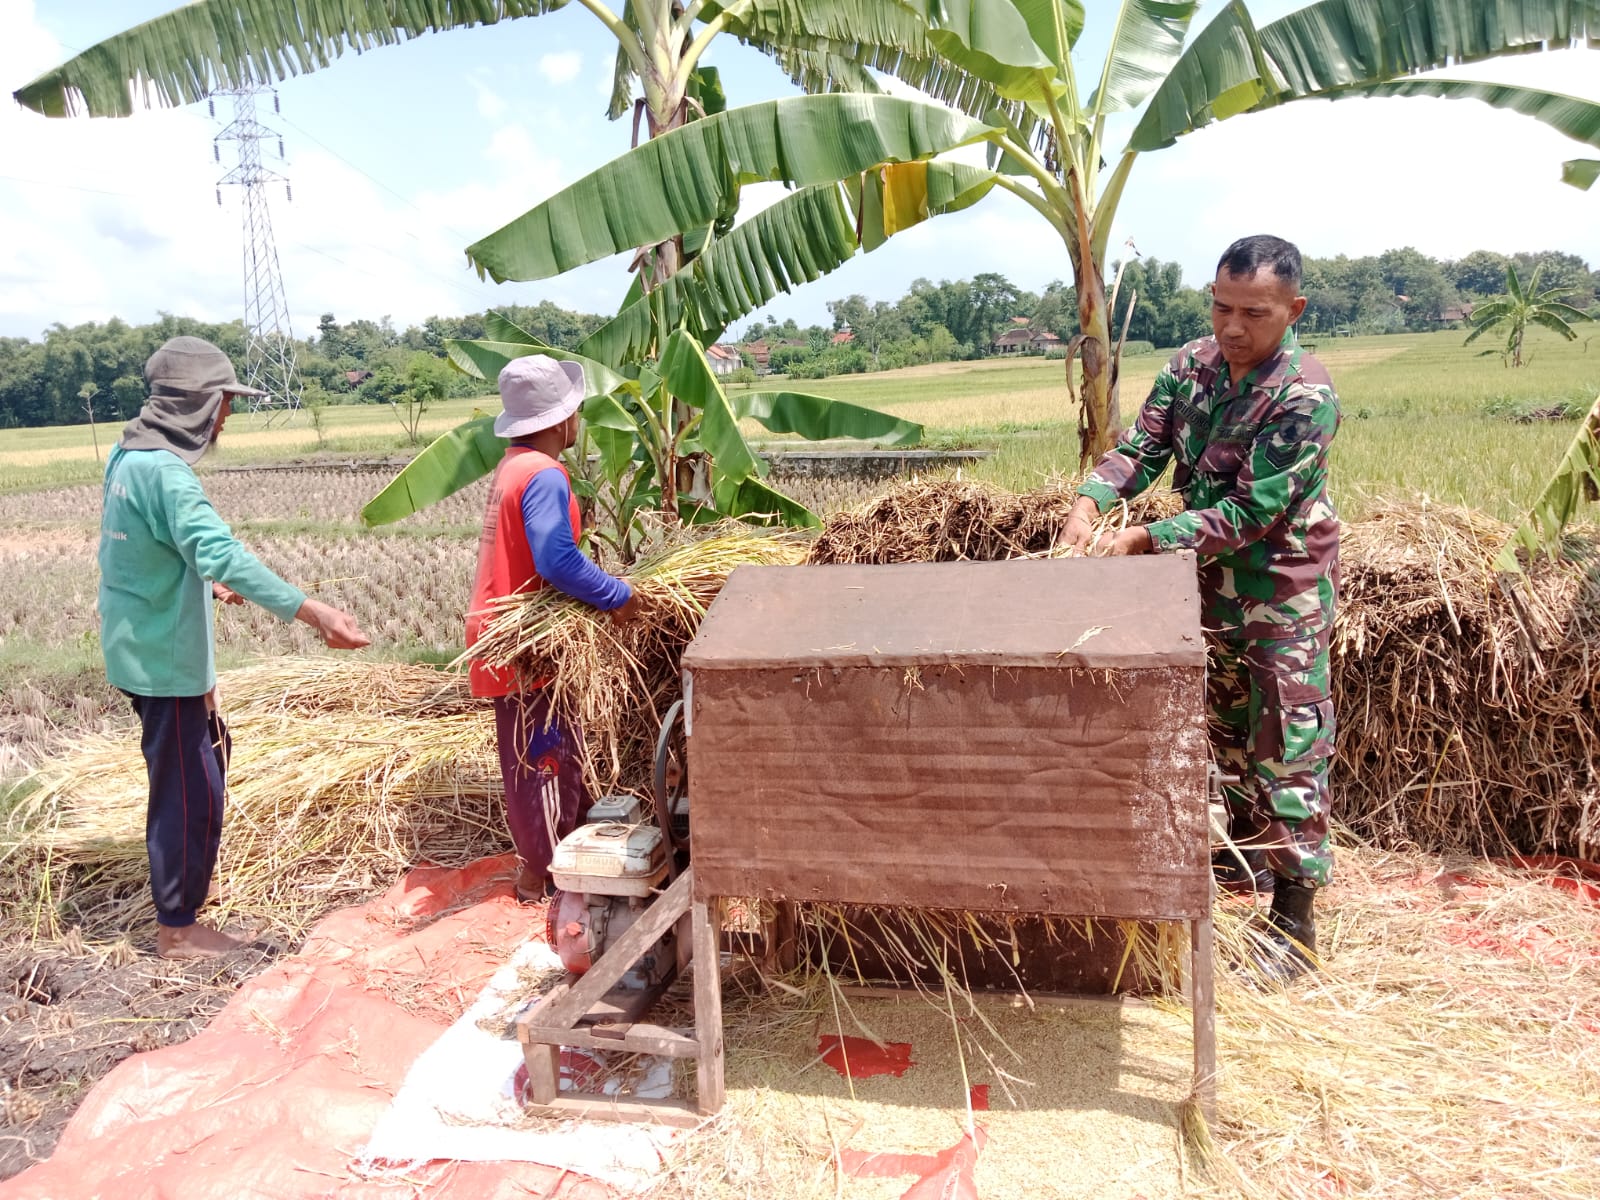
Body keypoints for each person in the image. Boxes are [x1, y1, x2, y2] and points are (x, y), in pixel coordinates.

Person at [1057, 235, 1340, 982]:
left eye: (1254, 312)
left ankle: (1295, 924)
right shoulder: (1189, 366)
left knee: (1287, 739)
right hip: (1204, 587)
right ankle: (1236, 865)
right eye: (1220, 307)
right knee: (1218, 729)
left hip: (1281, 589)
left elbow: (1252, 511)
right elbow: (1142, 447)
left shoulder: (1305, 396)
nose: (1232, 327)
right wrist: (1088, 504)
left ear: (1293, 310)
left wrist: (1147, 538)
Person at [100, 336, 371, 960]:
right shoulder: (167, 473)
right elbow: (218, 549)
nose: (228, 416)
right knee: (189, 787)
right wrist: (315, 611)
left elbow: (142, 543)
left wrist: (202, 576)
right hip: (164, 660)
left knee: (207, 758)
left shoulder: (128, 453)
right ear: (199, 404)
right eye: (225, 403)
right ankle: (178, 928)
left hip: (135, 642)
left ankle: (188, 889)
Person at [466, 354, 639, 904]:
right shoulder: (544, 473)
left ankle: (546, 864)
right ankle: (549, 876)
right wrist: (617, 595)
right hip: (526, 647)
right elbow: (556, 558)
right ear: (561, 420)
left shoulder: (513, 467)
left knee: (534, 754)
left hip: (505, 634)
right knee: (543, 759)